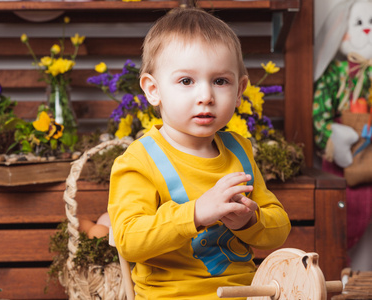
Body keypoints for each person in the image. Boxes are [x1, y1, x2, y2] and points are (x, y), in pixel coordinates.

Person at [108, 7, 291, 299]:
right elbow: (128, 239)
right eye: (186, 81)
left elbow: (280, 227)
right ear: (153, 90)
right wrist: (195, 213)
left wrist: (251, 222)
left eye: (220, 81)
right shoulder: (139, 161)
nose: (205, 96)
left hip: (245, 292)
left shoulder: (239, 150)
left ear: (240, 89)